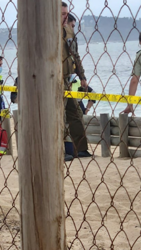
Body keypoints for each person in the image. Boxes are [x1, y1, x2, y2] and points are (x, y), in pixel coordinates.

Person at [61, 2, 91, 161]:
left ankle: (81, 149)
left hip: (66, 79)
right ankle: (61, 149)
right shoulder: (48, 33)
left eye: (66, 13)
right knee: (59, 116)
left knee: (75, 113)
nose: (65, 17)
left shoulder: (69, 31)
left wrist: (82, 76)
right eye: (61, 14)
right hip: (53, 79)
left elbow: (76, 55)